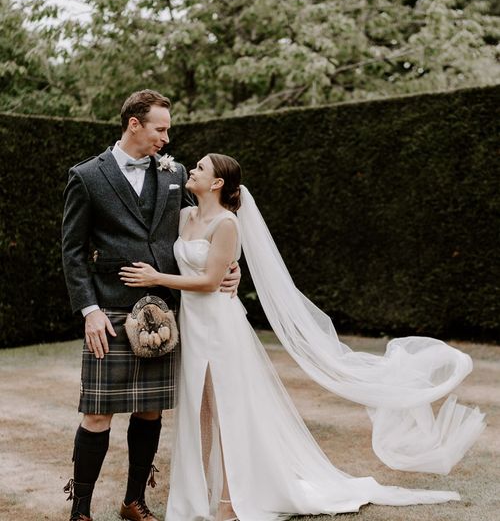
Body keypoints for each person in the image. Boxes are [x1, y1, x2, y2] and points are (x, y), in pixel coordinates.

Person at [120, 153, 485, 521]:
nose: (191, 170)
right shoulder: (185, 216)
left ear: (216, 183)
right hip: (192, 326)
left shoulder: (227, 223)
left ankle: (230, 502)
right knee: (199, 412)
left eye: (200, 168)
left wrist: (157, 279)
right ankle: (198, 497)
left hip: (219, 327)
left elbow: (212, 281)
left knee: (224, 412)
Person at [61, 91, 240, 521]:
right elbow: (72, 252)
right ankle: (81, 511)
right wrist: (90, 311)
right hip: (110, 313)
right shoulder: (87, 176)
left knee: (149, 411)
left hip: (163, 313)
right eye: (161, 128)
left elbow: (200, 233)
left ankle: (134, 501)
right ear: (134, 125)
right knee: (98, 414)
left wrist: (230, 271)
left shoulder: (176, 172)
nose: (167, 136)